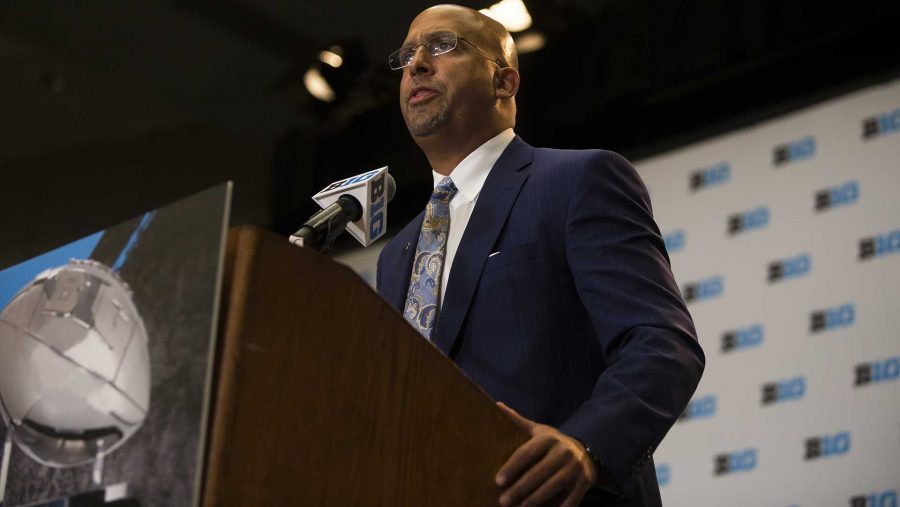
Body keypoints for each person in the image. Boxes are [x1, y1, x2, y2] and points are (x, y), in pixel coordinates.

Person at [376, 5, 705, 506]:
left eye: (442, 46)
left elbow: (661, 342)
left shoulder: (577, 181)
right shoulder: (397, 254)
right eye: (406, 55)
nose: (417, 64)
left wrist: (587, 444)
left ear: (504, 82)